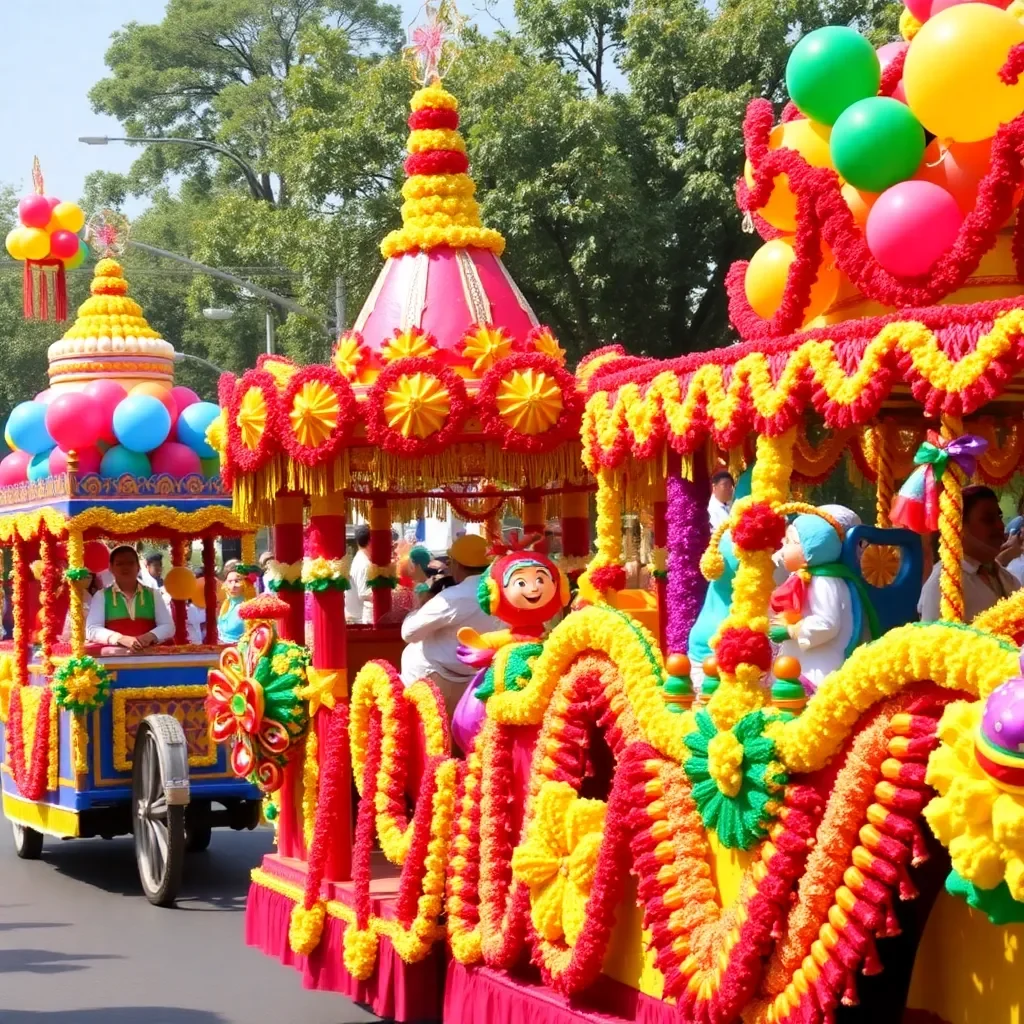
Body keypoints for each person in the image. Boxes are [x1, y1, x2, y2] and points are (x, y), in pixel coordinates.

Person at [400, 535, 500, 716]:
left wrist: (419, 608)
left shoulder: (455, 596)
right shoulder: (504, 591)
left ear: (456, 565)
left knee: (411, 652)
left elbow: (409, 633)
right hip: (486, 679)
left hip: (442, 682)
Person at [919, 485, 1021, 622]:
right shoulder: (942, 583)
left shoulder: (1004, 576)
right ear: (960, 527)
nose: (1000, 526)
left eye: (999, 517)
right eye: (988, 520)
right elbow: (934, 641)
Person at [86, 546, 175, 652]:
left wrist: (149, 636)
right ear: (111, 568)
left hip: (149, 656)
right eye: (120, 564)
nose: (125, 568)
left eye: (130, 563)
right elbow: (92, 629)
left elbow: (168, 626)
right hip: (116, 657)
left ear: (138, 567)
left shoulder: (153, 594)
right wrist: (119, 638)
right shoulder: (101, 596)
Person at [345, 524, 372, 624]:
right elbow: (365, 594)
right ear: (370, 542)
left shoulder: (361, 559)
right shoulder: (364, 564)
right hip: (359, 620)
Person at [217, 568, 246, 643]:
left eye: (237, 581)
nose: (233, 586)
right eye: (230, 581)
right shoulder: (225, 604)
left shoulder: (248, 606)